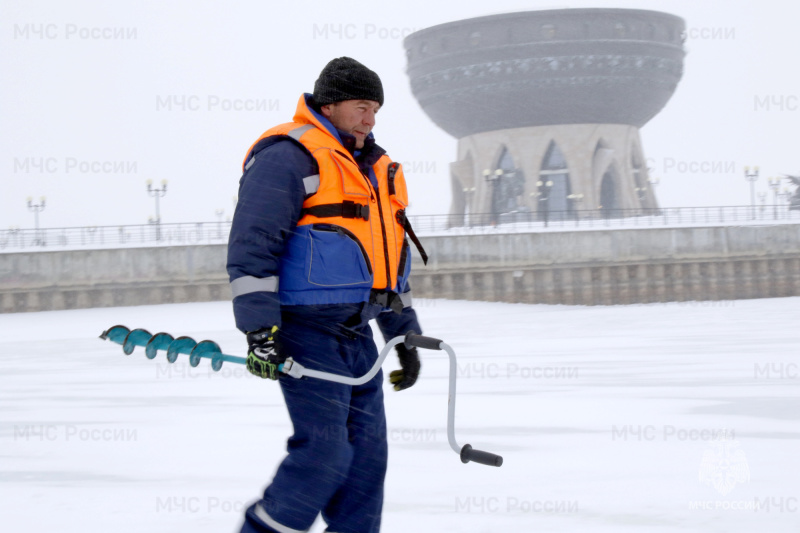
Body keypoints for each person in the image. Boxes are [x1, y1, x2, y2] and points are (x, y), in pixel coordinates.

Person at [227, 57, 427, 533]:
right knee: (325, 454)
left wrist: (406, 339)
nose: (370, 120)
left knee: (365, 463)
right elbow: (253, 248)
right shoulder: (288, 156)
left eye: (375, 110)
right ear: (331, 104)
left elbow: (390, 262)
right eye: (362, 107)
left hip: (358, 336)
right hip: (305, 332)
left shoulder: (375, 168)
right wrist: (260, 330)